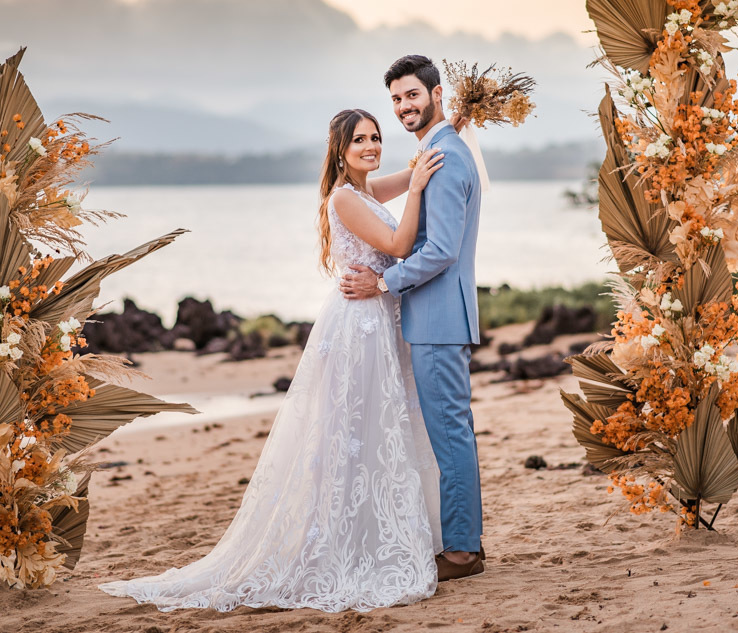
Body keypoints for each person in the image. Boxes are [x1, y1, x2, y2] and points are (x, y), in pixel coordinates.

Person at [99, 108, 447, 612]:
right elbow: (397, 242)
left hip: (381, 322)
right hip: (360, 327)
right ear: (340, 150)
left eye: (376, 138)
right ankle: (347, 545)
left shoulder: (368, 189)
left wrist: (453, 120)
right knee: (352, 434)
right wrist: (416, 190)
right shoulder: (345, 199)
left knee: (379, 431)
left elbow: (412, 169)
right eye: (360, 141)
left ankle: (384, 534)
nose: (371, 147)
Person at [339, 54, 485, 582]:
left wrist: (382, 282)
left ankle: (463, 552)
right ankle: (465, 542)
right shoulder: (438, 150)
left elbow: (441, 249)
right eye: (397, 99)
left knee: (450, 434)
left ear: (436, 93)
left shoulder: (445, 157)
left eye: (412, 96)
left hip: (438, 319)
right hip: (433, 319)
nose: (404, 106)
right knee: (452, 433)